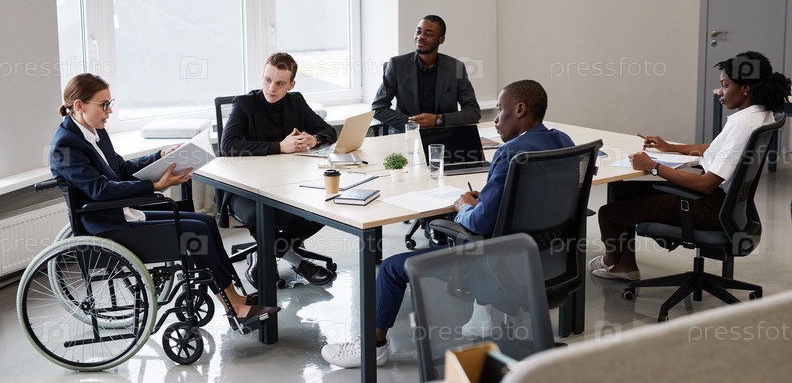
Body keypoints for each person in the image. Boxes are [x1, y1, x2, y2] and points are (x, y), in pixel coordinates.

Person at [321, 80, 574, 368]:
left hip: (498, 263)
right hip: (550, 259)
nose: (495, 120)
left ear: (519, 109)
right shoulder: (563, 141)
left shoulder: (509, 154)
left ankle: (372, 348)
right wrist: (491, 201)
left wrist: (463, 208)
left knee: (391, 269)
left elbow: (479, 223)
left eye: (499, 110)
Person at [49, 73, 280, 332]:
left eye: (109, 103)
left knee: (205, 222)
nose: (109, 110)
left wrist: (160, 156)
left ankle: (234, 298)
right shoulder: (65, 146)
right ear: (79, 105)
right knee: (196, 231)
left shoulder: (94, 131)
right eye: (103, 104)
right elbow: (100, 190)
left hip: (122, 213)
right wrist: (155, 186)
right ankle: (234, 307)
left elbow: (121, 169)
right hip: (107, 226)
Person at [590, 51, 791, 281]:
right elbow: (714, 148)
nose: (720, 93)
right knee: (621, 190)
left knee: (608, 214)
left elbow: (706, 184)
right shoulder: (759, 116)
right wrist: (670, 147)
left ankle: (614, 262)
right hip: (728, 206)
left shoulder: (743, 124)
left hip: (708, 207)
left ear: (745, 88)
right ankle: (624, 264)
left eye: (725, 86)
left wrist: (653, 166)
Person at [219, 52, 337, 287]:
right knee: (260, 215)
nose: (271, 88)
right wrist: (280, 147)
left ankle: (262, 253)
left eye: (280, 83)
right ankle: (299, 263)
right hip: (244, 190)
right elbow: (228, 145)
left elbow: (329, 131)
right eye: (267, 80)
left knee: (326, 205)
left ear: (291, 85)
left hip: (286, 186)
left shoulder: (296, 102)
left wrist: (314, 139)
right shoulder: (244, 104)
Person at [371, 14, 482, 134]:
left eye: (428, 34)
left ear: (441, 40)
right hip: (407, 136)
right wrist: (413, 123)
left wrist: (437, 120)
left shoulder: (456, 68)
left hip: (444, 137)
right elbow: (378, 108)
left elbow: (473, 112)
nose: (421, 37)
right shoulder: (397, 65)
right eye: (418, 32)